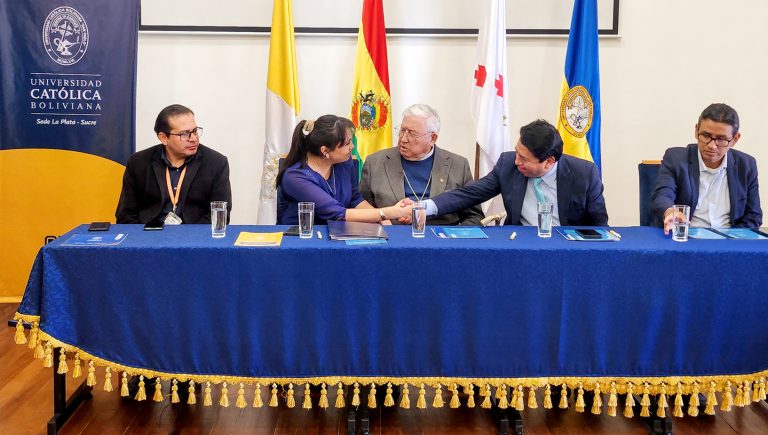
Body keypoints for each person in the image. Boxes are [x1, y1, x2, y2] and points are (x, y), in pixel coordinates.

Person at [423, 119, 608, 226]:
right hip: (520, 246)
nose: (517, 161)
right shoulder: (508, 164)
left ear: (549, 162)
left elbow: (599, 227)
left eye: (524, 159)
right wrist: (424, 207)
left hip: (566, 250)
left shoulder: (584, 174)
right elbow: (469, 194)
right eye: (517, 152)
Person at [359, 104, 484, 226]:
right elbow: (360, 207)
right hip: (391, 233)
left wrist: (455, 236)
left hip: (440, 235)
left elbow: (474, 216)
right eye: (402, 130)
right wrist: (381, 221)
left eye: (412, 134)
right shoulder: (375, 163)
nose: (403, 139)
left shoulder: (458, 166)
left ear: (432, 138)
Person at [276, 115, 411, 225]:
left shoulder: (344, 162)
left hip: (339, 235)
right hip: (302, 239)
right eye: (347, 143)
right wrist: (391, 212)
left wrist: (383, 220)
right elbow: (337, 213)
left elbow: (355, 199)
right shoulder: (295, 177)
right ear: (325, 151)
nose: (352, 147)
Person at [652, 103, 761, 233]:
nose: (712, 146)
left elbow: (753, 216)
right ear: (696, 131)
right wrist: (670, 211)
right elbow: (662, 195)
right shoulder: (675, 159)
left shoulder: (746, 165)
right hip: (686, 236)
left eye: (721, 139)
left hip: (728, 239)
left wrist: (732, 239)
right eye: (705, 136)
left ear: (734, 139)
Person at [115, 104, 232, 224]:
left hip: (195, 232)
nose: (193, 138)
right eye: (184, 134)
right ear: (163, 138)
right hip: (150, 231)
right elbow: (126, 215)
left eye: (195, 131)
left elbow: (220, 215)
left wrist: (191, 234)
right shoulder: (138, 163)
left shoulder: (216, 163)